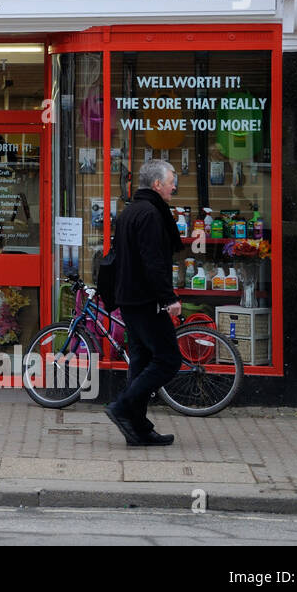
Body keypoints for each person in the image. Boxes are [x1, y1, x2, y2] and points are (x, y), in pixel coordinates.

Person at [104, 158, 184, 447]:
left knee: (141, 360)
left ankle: (137, 428)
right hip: (145, 299)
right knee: (168, 359)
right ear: (156, 184)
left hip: (130, 298)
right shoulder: (151, 214)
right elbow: (153, 263)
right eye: (171, 180)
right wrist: (168, 298)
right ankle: (123, 407)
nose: (175, 185)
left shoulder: (131, 211)